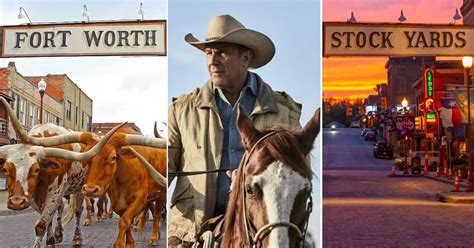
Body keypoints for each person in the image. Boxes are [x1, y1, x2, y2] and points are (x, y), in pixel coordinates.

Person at [168, 14, 303, 247]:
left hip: (261, 232)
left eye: (223, 52)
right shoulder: (181, 111)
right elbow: (163, 172)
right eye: (209, 52)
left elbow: (296, 178)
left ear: (246, 58)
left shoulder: (284, 113)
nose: (213, 61)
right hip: (191, 233)